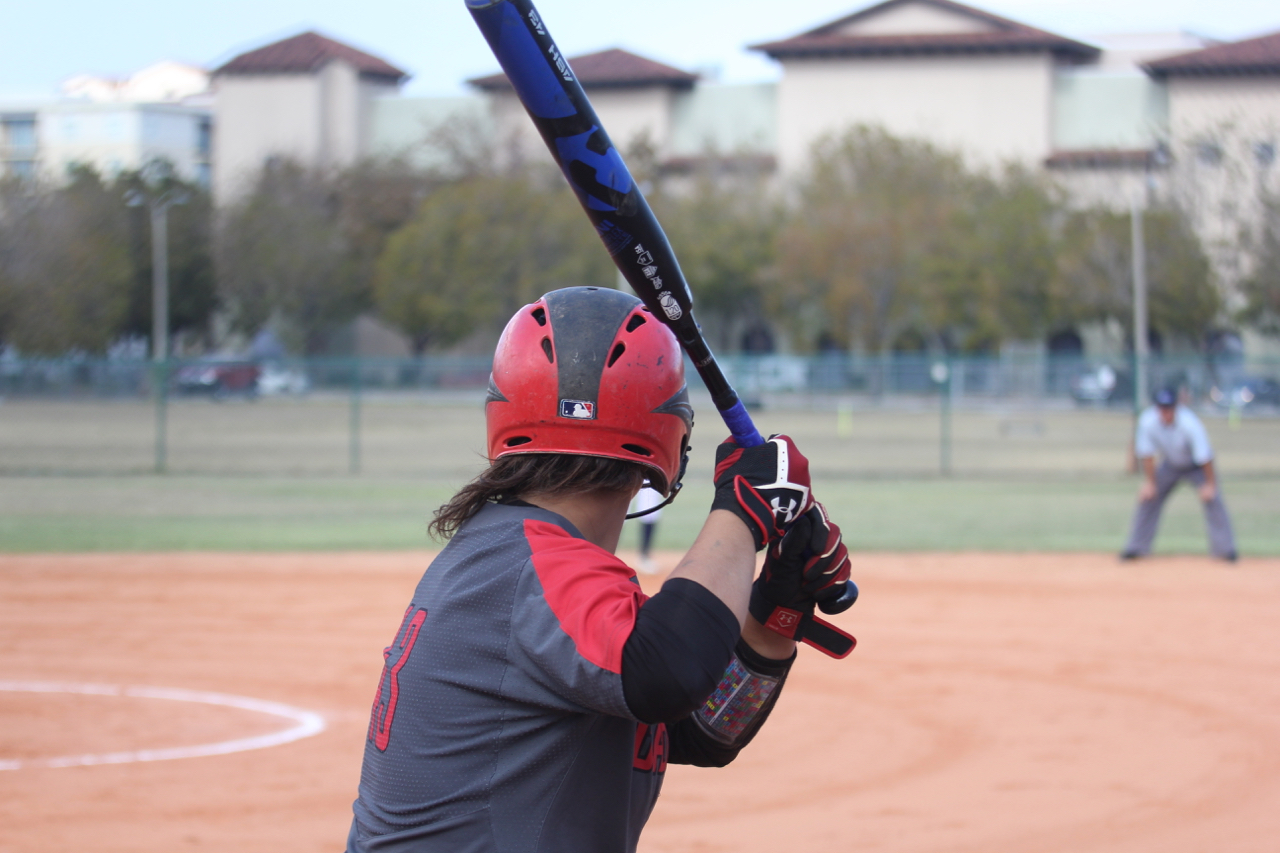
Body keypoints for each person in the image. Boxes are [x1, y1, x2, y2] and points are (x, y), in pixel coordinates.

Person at [346, 286, 853, 853]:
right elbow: (664, 675)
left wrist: (773, 614)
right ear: (670, 434)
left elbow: (701, 729)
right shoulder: (529, 565)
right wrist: (745, 511)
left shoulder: (513, 556)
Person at [1121, 386, 1238, 562]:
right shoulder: (1148, 421)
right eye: (1161, 408)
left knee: (1213, 498)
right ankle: (1136, 548)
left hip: (1196, 465)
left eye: (1168, 408)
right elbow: (1147, 455)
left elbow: (1205, 456)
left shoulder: (1189, 423)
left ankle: (1225, 549)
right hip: (1170, 464)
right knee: (1148, 497)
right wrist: (1150, 483)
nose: (1165, 412)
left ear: (1176, 407)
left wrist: (1210, 485)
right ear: (1156, 408)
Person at [630, 485, 665, 574]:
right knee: (616, 508)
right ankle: (606, 555)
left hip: (648, 474)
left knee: (650, 509)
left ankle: (644, 557)